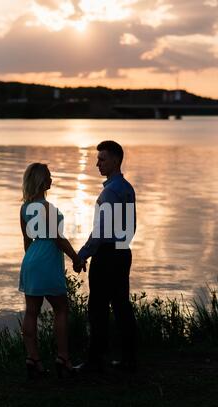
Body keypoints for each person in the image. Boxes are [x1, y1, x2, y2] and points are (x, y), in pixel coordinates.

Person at [18, 163, 85, 379]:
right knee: (61, 309)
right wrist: (76, 258)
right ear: (40, 180)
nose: (51, 178)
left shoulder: (24, 208)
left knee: (31, 311)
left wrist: (31, 262)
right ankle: (63, 358)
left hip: (31, 258)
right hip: (47, 258)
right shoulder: (47, 208)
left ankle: (32, 359)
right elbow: (57, 238)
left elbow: (27, 240)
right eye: (48, 175)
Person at [77, 140, 137, 372]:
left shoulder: (110, 192)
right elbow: (131, 226)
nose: (97, 164)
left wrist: (83, 254)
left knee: (98, 307)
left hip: (107, 255)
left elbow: (100, 231)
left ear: (115, 160)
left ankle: (95, 360)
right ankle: (129, 358)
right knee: (122, 305)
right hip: (123, 251)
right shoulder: (127, 188)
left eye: (102, 159)